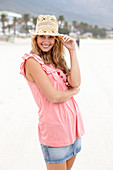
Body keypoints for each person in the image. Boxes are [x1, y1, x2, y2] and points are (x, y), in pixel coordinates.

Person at [20, 15, 84, 170]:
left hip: (73, 125)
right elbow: (53, 96)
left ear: (56, 40)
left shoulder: (57, 60)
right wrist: (72, 92)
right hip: (55, 129)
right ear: (36, 38)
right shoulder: (32, 62)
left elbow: (76, 82)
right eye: (42, 36)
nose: (46, 41)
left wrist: (72, 51)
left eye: (51, 37)